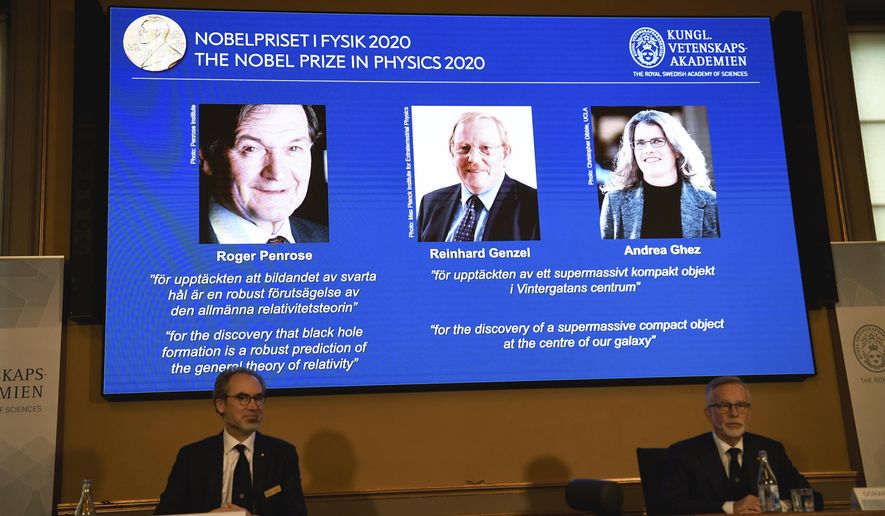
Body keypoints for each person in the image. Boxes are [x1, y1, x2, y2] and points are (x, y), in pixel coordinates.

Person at [154, 368, 308, 515]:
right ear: (220, 405)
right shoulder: (192, 457)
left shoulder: (281, 455)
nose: (253, 406)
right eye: (243, 398)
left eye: (258, 398)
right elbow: (164, 514)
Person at [660, 376, 812, 514]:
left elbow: (811, 497)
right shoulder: (683, 453)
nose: (734, 413)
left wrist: (774, 505)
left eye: (741, 405)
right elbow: (671, 505)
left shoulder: (771, 449)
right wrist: (731, 507)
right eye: (724, 405)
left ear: (749, 412)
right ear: (709, 414)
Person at [200, 104, 329, 244]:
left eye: (294, 148)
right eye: (251, 149)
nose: (277, 174)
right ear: (207, 159)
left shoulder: (330, 239)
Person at [417, 112, 540, 242]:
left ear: (505, 154)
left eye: (486, 148)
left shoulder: (536, 207)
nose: (473, 159)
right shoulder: (430, 203)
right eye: (464, 148)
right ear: (452, 153)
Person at [600, 109, 719, 239]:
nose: (648, 149)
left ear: (677, 150)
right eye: (640, 143)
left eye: (657, 141)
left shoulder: (712, 203)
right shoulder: (614, 201)